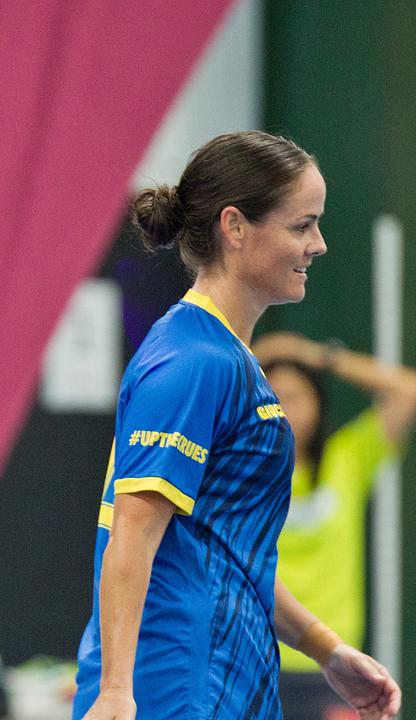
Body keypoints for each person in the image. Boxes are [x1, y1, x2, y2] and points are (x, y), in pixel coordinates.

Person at [72, 130, 401, 720]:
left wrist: (326, 651)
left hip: (230, 683)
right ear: (236, 226)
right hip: (175, 687)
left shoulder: (228, 360)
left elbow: (226, 549)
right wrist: (117, 691)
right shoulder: (192, 361)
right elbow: (133, 535)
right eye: (301, 225)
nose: (318, 244)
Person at [252, 332, 416, 719]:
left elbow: (407, 391)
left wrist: (311, 353)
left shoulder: (347, 460)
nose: (285, 410)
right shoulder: (241, 475)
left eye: (295, 397)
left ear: (317, 403)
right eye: (274, 399)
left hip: (331, 664)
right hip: (257, 658)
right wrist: (253, 358)